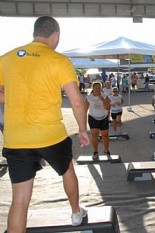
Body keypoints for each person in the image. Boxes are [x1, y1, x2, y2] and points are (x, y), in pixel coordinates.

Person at [0, 16, 90, 232]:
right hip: (49, 134)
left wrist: (14, 97)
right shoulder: (59, 60)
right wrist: (82, 129)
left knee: (19, 200)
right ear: (55, 35)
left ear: (35, 33)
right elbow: (77, 102)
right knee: (67, 169)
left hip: (16, 137)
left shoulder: (7, 58)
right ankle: (76, 212)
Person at [85, 82, 111, 160]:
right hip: (93, 117)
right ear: (93, 88)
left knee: (105, 135)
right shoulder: (88, 97)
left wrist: (103, 99)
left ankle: (106, 150)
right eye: (96, 87)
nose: (97, 89)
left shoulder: (105, 96)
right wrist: (82, 124)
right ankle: (95, 152)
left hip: (103, 117)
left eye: (99, 87)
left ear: (101, 88)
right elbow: (85, 110)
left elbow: (108, 108)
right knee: (94, 135)